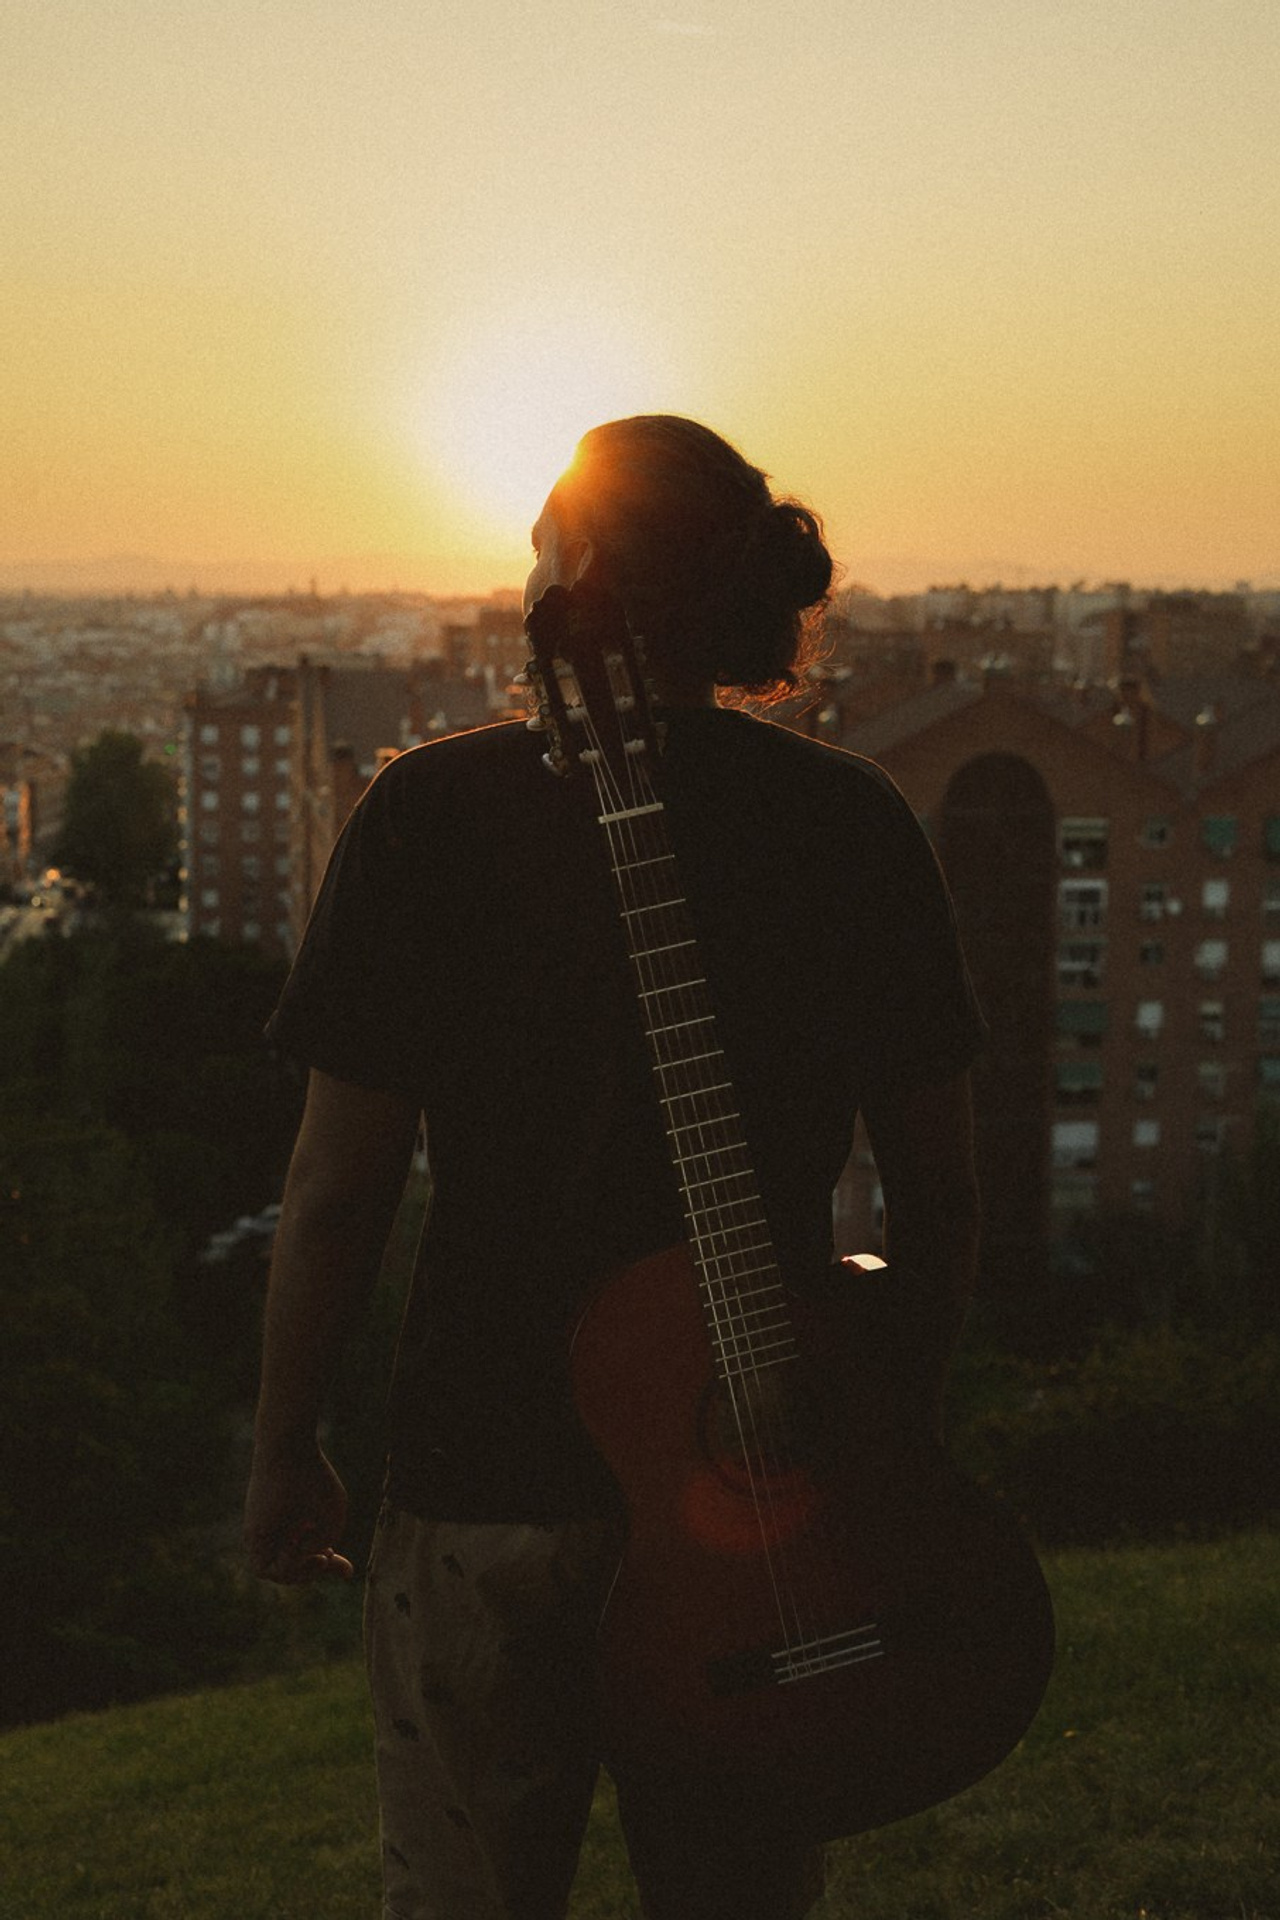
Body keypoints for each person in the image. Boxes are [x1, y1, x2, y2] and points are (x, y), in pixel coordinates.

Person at [244, 415, 985, 1919]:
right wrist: (883, 1438)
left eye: (539, 540)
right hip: (755, 1485)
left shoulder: (430, 815)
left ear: (572, 580)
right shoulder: (851, 825)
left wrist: (283, 1442)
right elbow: (946, 1195)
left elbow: (336, 1190)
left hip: (482, 1485)